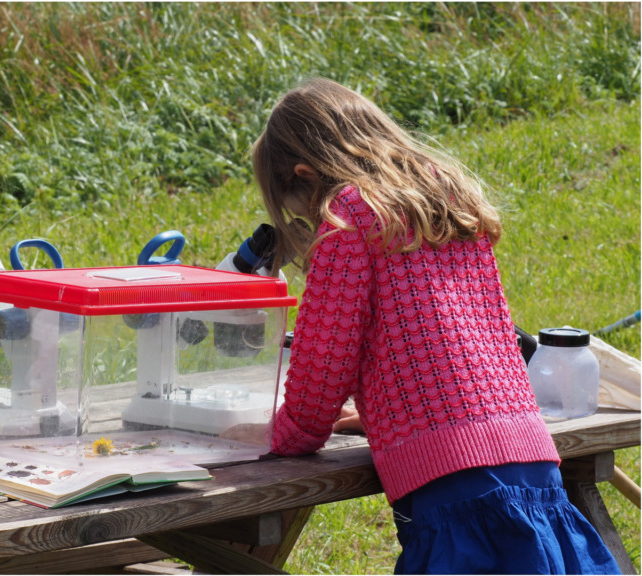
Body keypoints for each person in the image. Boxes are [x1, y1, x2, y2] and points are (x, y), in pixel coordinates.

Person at [251, 78, 619, 574]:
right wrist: (388, 412)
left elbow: (322, 366)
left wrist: (279, 435)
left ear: (304, 175)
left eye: (299, 209)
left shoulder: (349, 218)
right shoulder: (443, 195)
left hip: (454, 492)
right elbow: (453, 335)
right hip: (527, 453)